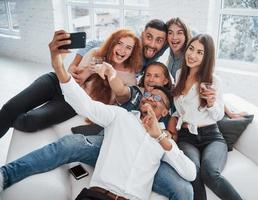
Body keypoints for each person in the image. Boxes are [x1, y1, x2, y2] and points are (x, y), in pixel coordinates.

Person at [0, 30, 197, 200]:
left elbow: (189, 172)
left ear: (165, 108)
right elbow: (89, 102)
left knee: (184, 188)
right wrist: (60, 67)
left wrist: (162, 137)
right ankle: (5, 175)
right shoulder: (127, 108)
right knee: (72, 142)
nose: (150, 95)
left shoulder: (166, 133)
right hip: (105, 172)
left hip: (147, 163)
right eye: (148, 86)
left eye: (156, 98)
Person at [0, 28, 142, 138]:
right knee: (9, 109)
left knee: (29, 122)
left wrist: (109, 73)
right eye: (119, 43)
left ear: (132, 52)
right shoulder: (95, 53)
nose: (122, 50)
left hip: (73, 101)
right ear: (112, 43)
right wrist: (89, 70)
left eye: (129, 47)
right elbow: (72, 79)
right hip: (56, 82)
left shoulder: (129, 76)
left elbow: (119, 98)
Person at [168, 34, 243, 200]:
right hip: (187, 137)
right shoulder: (180, 74)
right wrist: (172, 124)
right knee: (192, 171)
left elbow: (217, 115)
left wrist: (210, 102)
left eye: (200, 52)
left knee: (210, 172)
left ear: (206, 57)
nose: (193, 55)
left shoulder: (213, 81)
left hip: (211, 136)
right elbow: (180, 110)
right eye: (191, 49)